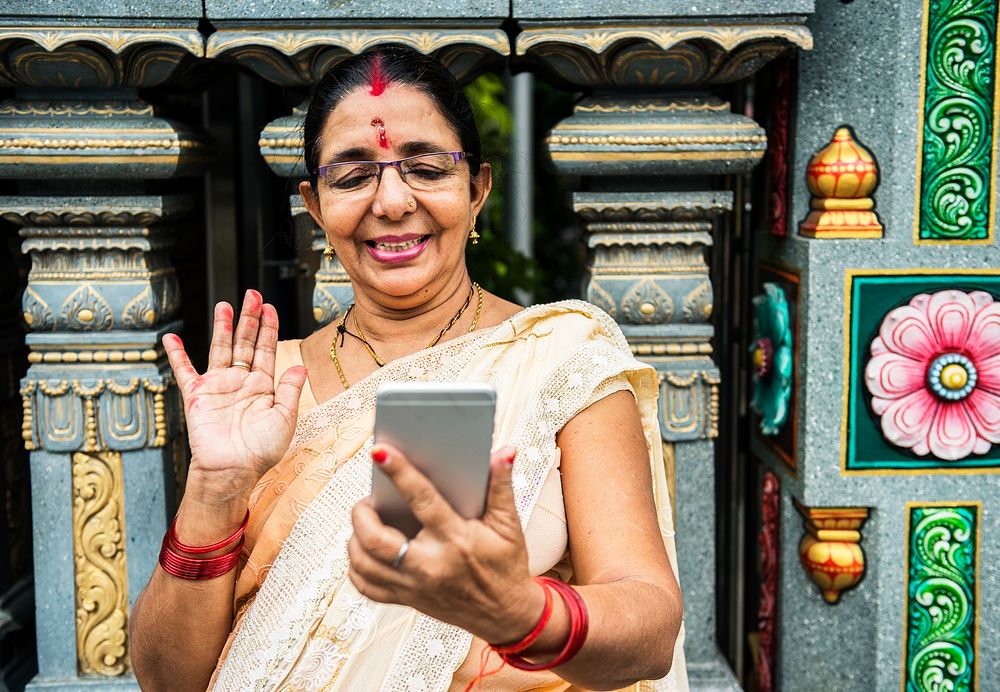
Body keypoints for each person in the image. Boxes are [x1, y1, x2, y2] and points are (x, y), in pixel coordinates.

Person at [129, 46, 686, 691]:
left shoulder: (559, 361)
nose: (392, 202)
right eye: (352, 176)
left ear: (478, 188)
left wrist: (523, 615)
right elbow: (167, 682)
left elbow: (650, 636)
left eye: (425, 168)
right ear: (313, 204)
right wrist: (215, 491)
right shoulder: (265, 392)